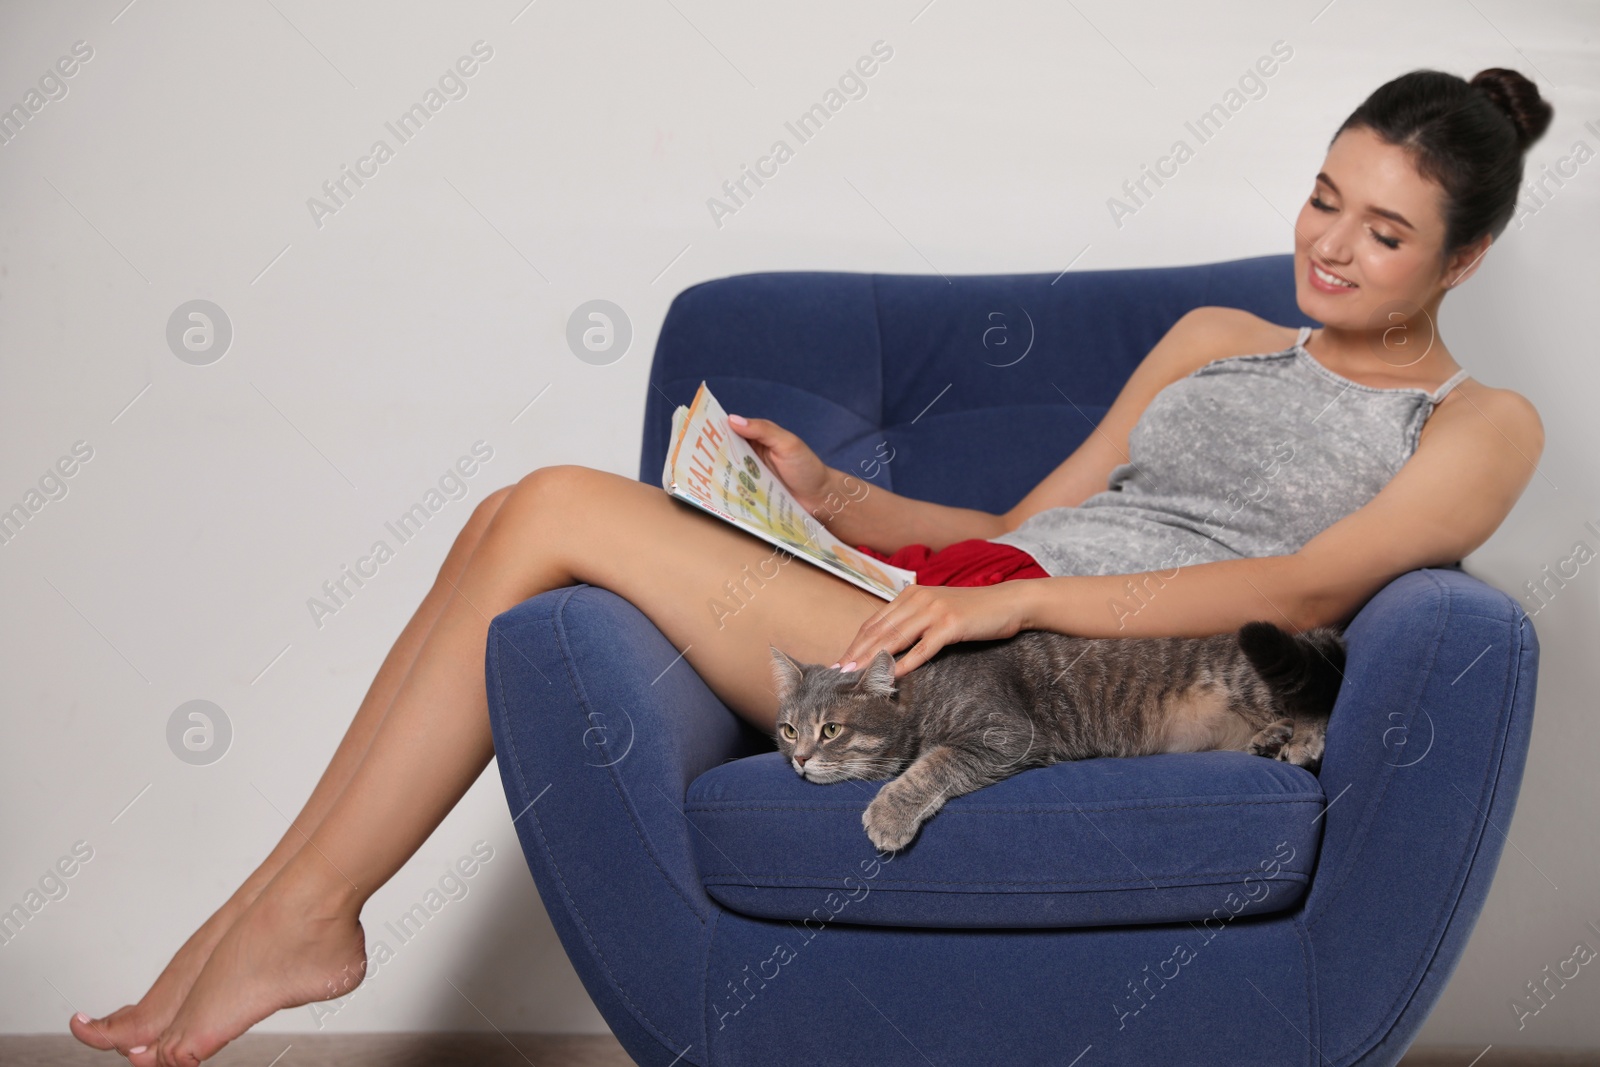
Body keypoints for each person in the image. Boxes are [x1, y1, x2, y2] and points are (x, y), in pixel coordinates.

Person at [71, 65, 1550, 1067]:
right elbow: (1030, 521)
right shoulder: (1216, 343)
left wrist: (1024, 600)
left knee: (547, 511)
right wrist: (835, 497)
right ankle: (277, 905)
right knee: (514, 517)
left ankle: (297, 919)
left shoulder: (1478, 423)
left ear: (1462, 260)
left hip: (1096, 667)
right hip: (986, 612)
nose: (1330, 247)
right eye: (1322, 197)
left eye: (1386, 230)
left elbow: (1304, 593)